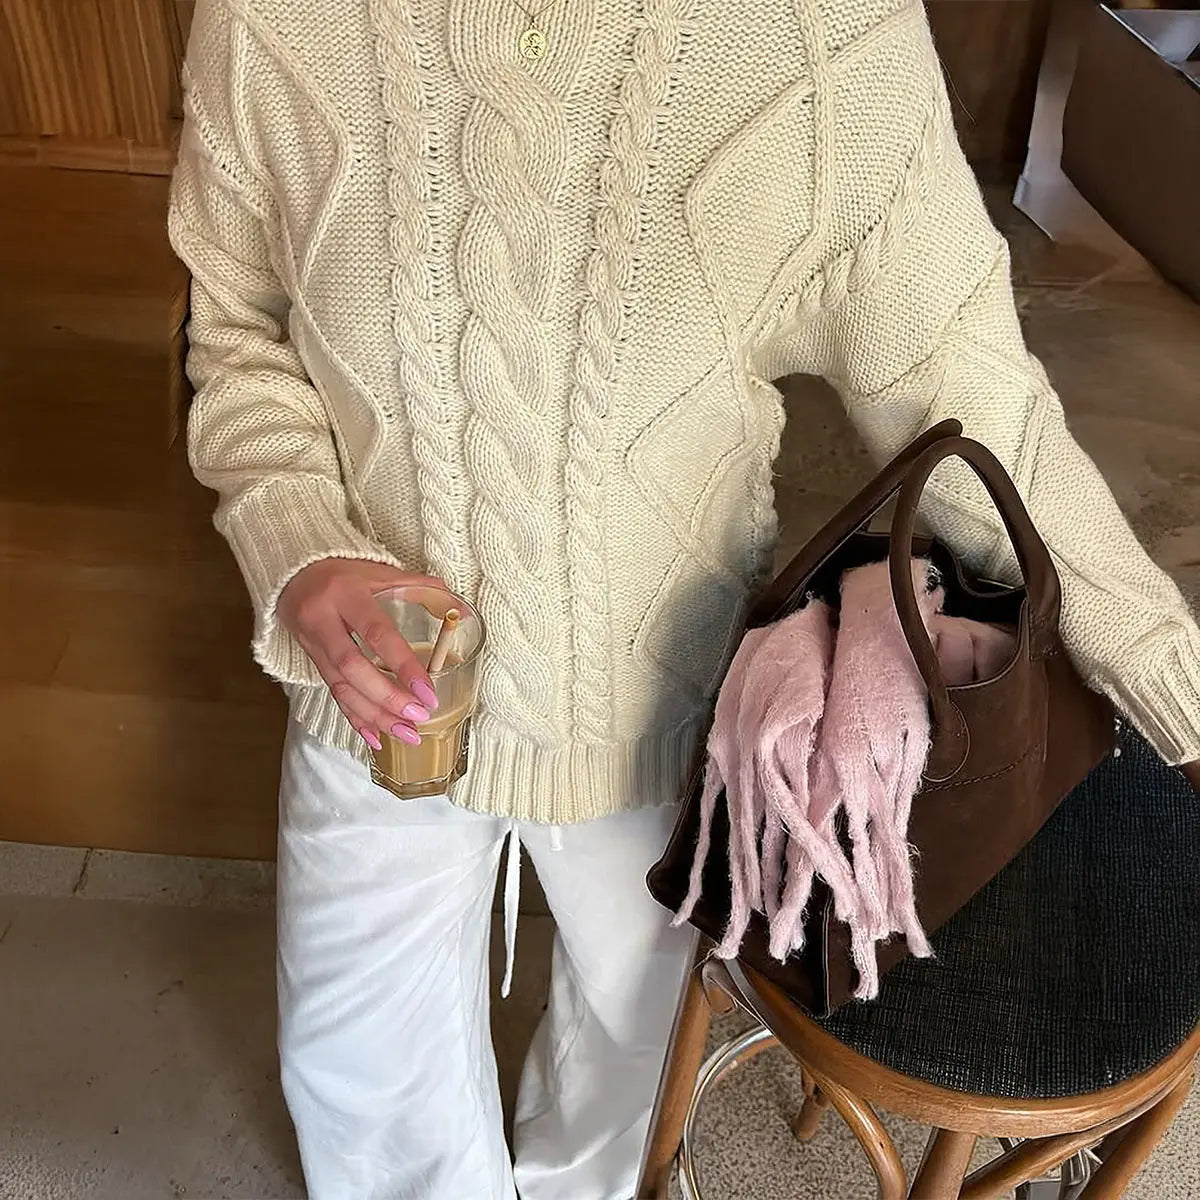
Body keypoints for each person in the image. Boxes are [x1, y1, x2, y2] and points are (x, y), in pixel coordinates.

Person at [168, 0, 1200, 1195]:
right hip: (369, 699)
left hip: (666, 705)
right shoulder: (268, 22)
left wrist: (1170, 679)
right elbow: (236, 331)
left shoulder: (821, 36)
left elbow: (970, 399)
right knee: (354, 1065)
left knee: (632, 1057)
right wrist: (299, 550)